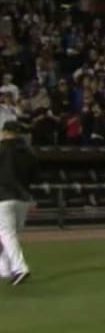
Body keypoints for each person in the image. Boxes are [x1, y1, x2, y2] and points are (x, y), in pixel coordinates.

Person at [0, 121, 37, 286]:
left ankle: (20, 268)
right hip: (23, 198)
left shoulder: (1, 147)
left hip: (4, 196)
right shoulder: (29, 151)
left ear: (5, 132)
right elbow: (34, 174)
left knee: (7, 234)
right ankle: (5, 269)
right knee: (10, 234)